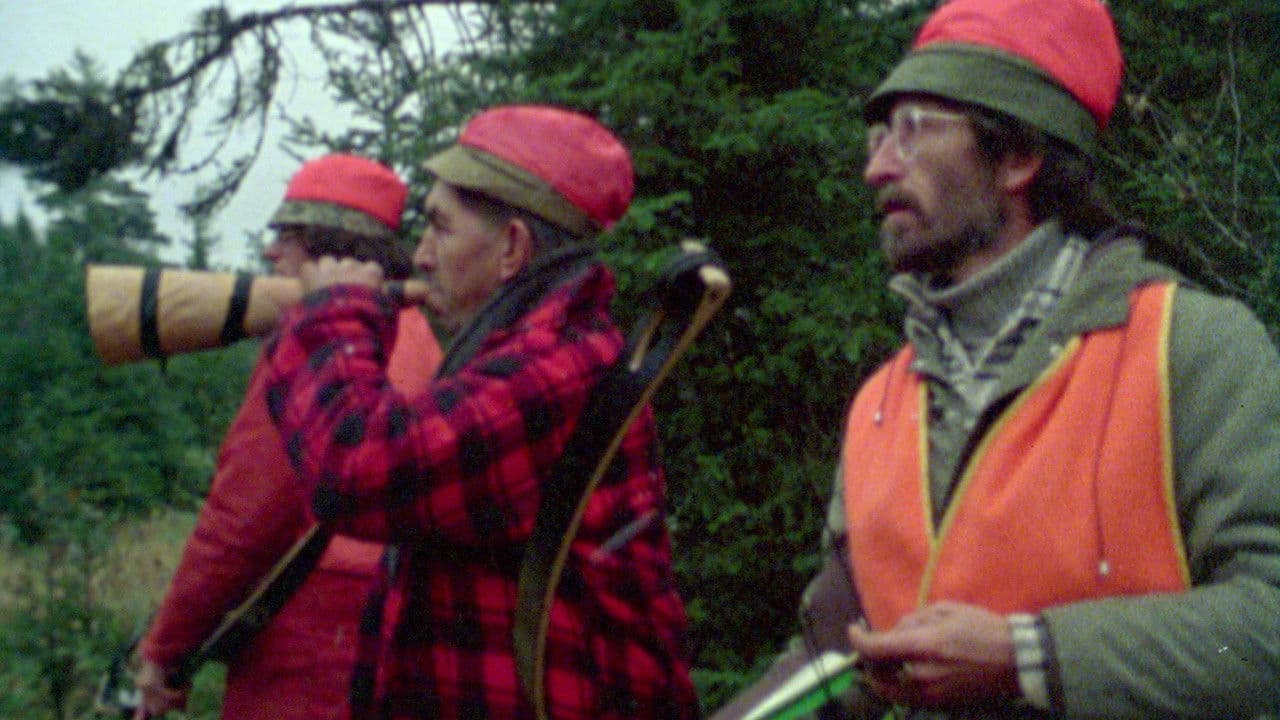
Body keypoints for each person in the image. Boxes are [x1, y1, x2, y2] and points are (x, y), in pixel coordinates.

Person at [712, 0, 1280, 718]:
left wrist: (1030, 656)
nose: (876, 168)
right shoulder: (881, 403)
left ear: (1018, 156)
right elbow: (833, 659)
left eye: (912, 130)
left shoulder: (1190, 344)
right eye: (878, 136)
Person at [259, 105, 700, 719]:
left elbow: (358, 470)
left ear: (513, 248)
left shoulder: (554, 368)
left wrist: (333, 314)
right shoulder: (529, 353)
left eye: (439, 228)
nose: (420, 256)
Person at [134, 154, 444, 720]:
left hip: (311, 631)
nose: (272, 252)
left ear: (326, 249)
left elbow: (244, 519)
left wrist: (165, 650)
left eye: (287, 237)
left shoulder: (311, 340)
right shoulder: (424, 335)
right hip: (409, 622)